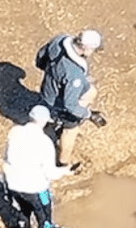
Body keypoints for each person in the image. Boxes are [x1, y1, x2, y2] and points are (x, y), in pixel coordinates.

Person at [2, 105, 73, 228]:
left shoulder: (15, 132)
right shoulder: (44, 143)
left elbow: (6, 156)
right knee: (46, 219)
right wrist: (67, 171)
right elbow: (51, 173)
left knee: (24, 212)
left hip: (14, 185)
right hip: (36, 188)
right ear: (43, 121)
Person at [35, 29, 106, 166]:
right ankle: (64, 163)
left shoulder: (60, 40)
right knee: (71, 130)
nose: (93, 53)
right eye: (93, 49)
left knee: (91, 91)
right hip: (59, 104)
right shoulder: (74, 75)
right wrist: (88, 114)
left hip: (47, 90)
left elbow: (40, 58)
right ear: (85, 47)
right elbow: (70, 105)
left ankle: (53, 123)